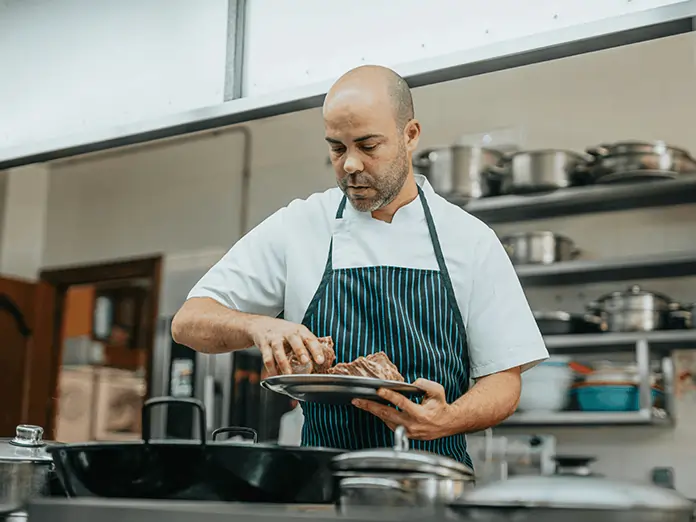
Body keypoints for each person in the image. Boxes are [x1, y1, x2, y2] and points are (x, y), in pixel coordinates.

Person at [172, 65, 548, 466]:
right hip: (321, 483)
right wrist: (256, 325)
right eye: (337, 148)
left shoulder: (470, 239)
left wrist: (448, 419)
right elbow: (189, 322)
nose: (350, 164)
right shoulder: (300, 225)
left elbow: (505, 381)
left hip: (433, 484)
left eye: (368, 146)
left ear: (410, 135)